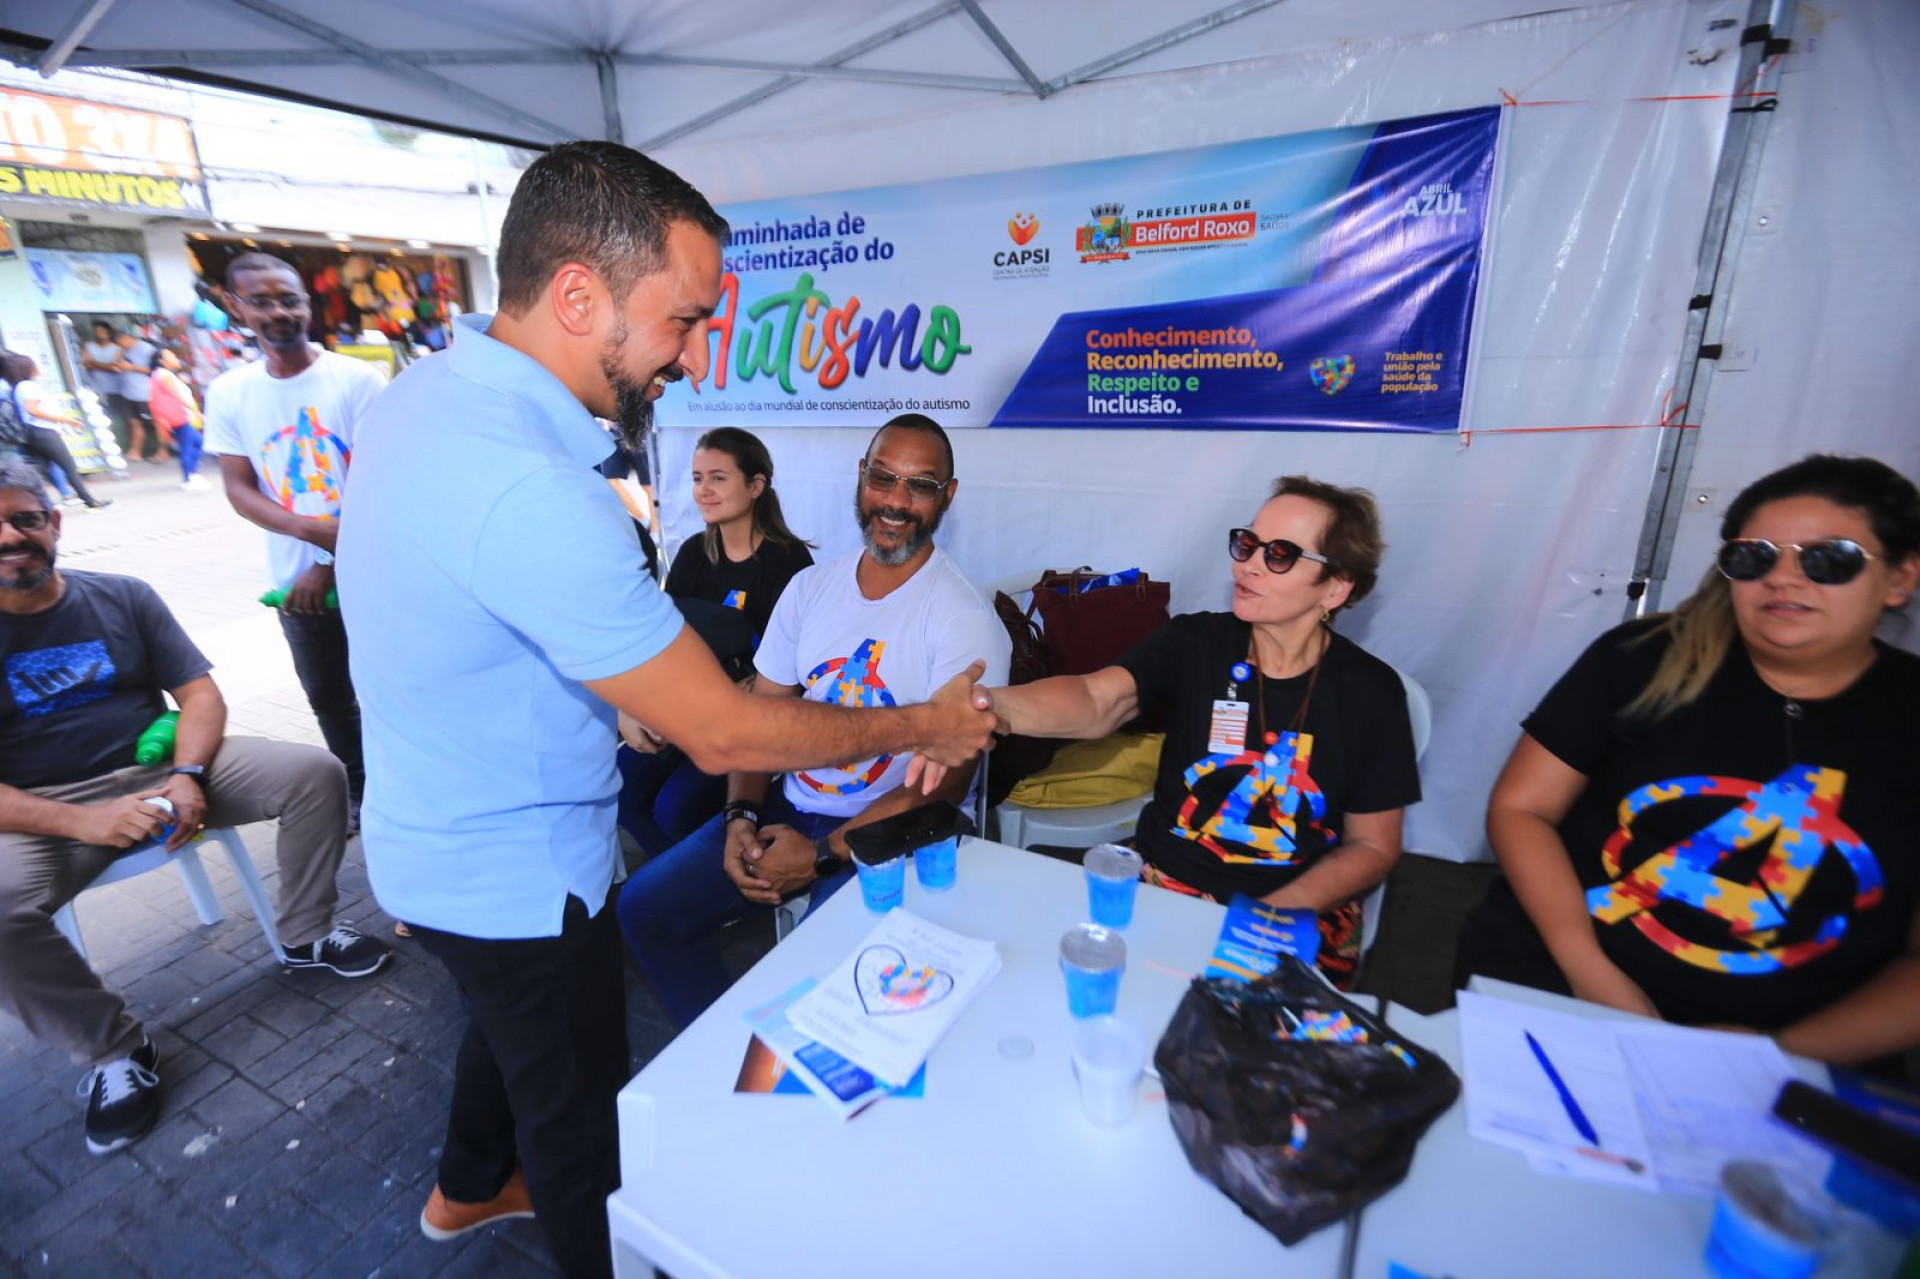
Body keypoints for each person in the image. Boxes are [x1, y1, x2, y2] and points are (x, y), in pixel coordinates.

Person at [335, 142, 995, 1279]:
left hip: (437, 843)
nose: (691, 359)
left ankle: (463, 1188)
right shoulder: (533, 489)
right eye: (684, 322)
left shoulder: (427, 401)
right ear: (580, 294)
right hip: (516, 874)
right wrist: (914, 725)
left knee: (510, 1035)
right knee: (583, 1117)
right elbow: (731, 730)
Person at [1456, 455, 1920, 1066]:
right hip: (1561, 982)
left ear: (1899, 579)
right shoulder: (1640, 661)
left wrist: (1776, 1053)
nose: (1784, 578)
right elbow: (1521, 808)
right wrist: (1589, 969)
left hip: (1806, 1047)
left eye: (1827, 558)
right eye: (1754, 557)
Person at [0, 461, 389, 1157]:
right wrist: (85, 820)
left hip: (158, 767)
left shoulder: (121, 595)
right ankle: (115, 1050)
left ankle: (305, 936)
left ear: (54, 523)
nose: (11, 535)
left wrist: (186, 773)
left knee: (313, 772)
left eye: (25, 517)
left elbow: (200, 695)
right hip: (45, 805)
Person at [620, 414, 1011, 1024]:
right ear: (861, 478)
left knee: (839, 980)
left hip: (893, 831)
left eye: (920, 485)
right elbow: (761, 719)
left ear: (947, 497)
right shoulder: (810, 589)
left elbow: (945, 787)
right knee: (644, 909)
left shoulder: (964, 619)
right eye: (883, 478)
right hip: (789, 807)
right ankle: (725, 1049)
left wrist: (824, 853)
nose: (896, 502)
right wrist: (741, 817)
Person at [988, 476, 1421, 984]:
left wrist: (1260, 919)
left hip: (1297, 908)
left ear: (1336, 586)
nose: (1248, 564)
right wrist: (985, 705)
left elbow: (1373, 847)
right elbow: (1095, 698)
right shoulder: (1196, 642)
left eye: (1279, 553)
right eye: (1247, 543)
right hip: (1170, 886)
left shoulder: (1371, 694)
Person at [204, 253, 385, 817]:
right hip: (293, 584)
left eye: (289, 298)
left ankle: (408, 795)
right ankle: (361, 796)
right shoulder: (230, 392)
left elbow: (381, 480)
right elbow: (240, 488)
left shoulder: (356, 380)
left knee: (391, 690)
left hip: (377, 573)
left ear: (308, 303)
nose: (278, 311)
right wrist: (311, 534)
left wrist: (327, 563)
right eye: (261, 301)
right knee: (330, 697)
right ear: (236, 308)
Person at [615, 426, 815, 855]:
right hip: (689, 709)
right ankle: (672, 887)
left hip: (745, 720)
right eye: (697, 478)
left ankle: (709, 884)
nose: (704, 490)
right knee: (620, 783)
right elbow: (664, 643)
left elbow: (789, 672)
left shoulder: (789, 562)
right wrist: (646, 710)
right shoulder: (692, 554)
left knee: (674, 809)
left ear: (756, 485)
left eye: (718, 478)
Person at [1, 353, 110, 509]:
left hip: (31, 433)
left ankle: (33, 503)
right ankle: (89, 500)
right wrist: (65, 420)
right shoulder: (29, 386)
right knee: (68, 466)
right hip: (43, 431)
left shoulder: (16, 387)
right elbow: (32, 409)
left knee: (38, 468)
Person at [148, 348, 209, 492]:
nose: (175, 358)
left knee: (194, 443)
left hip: (176, 416)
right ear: (162, 361)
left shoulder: (159, 375)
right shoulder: (165, 375)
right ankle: (190, 477)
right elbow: (177, 396)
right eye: (171, 356)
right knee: (191, 444)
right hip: (179, 416)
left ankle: (192, 475)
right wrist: (196, 411)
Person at [80, 322, 132, 458]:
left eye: (102, 331)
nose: (100, 334)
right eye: (97, 331)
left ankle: (120, 447)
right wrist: (107, 366)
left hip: (115, 389)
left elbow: (116, 368)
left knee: (117, 419)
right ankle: (103, 451)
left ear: (108, 332)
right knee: (98, 419)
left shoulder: (117, 348)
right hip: (94, 389)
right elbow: (86, 364)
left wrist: (94, 363)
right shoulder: (89, 346)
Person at [112, 330, 160, 463]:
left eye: (120, 342)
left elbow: (156, 371)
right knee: (134, 423)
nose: (120, 345)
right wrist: (120, 354)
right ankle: (135, 451)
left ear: (127, 337)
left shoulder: (147, 349)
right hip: (129, 393)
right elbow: (116, 364)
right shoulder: (123, 351)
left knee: (155, 423)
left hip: (145, 393)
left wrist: (132, 367)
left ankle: (164, 450)